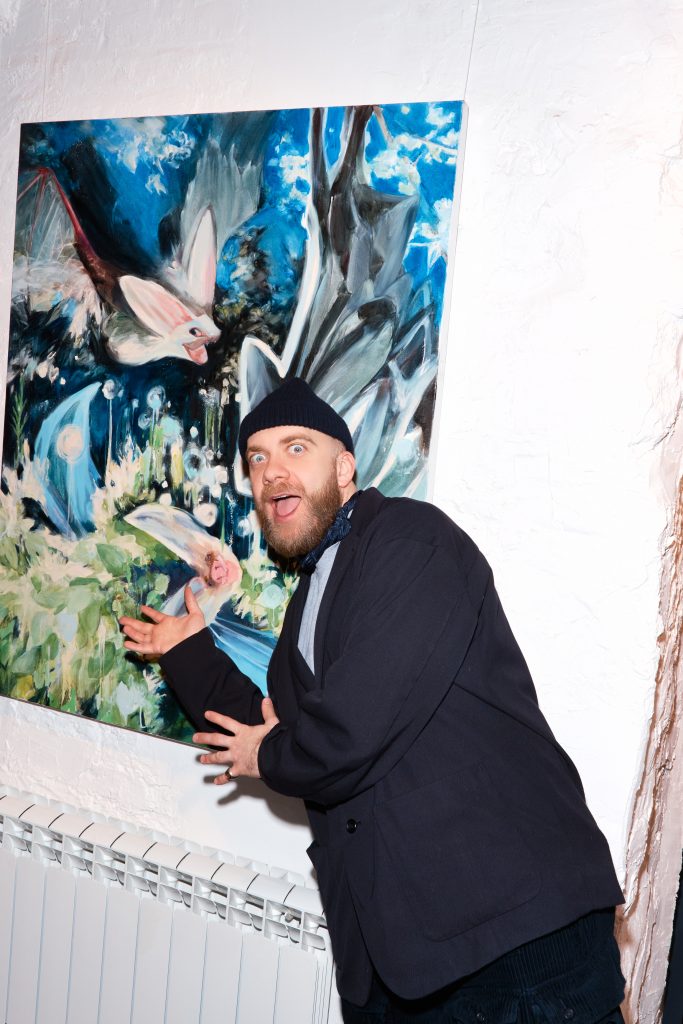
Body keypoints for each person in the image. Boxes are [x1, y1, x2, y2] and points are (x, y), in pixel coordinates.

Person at [120, 378, 626, 1024]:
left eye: (295, 448)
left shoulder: (412, 540)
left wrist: (270, 754)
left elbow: (342, 733)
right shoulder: (311, 600)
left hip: (512, 941)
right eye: (257, 458)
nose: (272, 471)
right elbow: (272, 731)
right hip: (401, 955)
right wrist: (186, 650)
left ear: (344, 467)